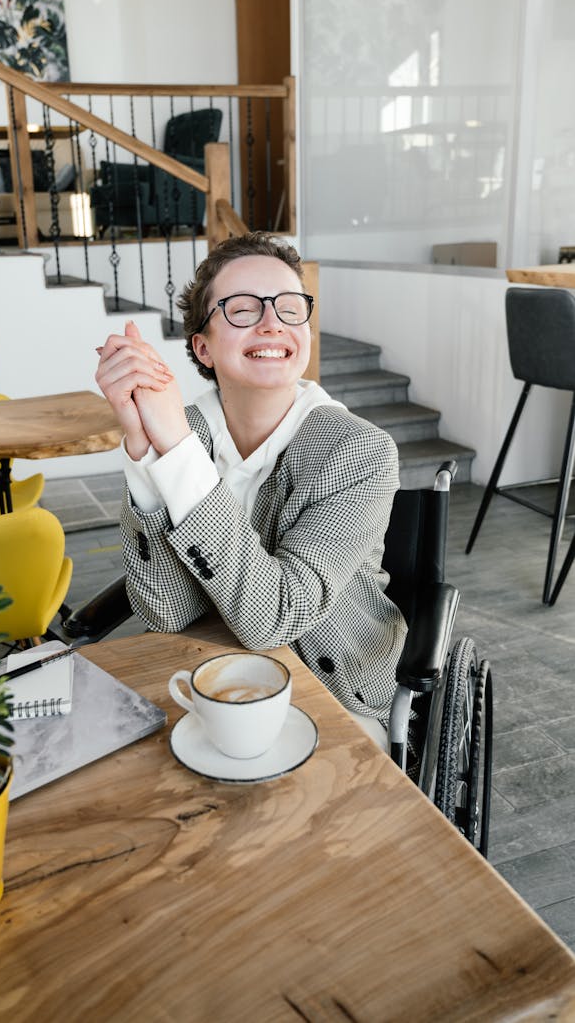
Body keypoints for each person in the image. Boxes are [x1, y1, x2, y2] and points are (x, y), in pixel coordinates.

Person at [95, 232, 407, 747]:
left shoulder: (360, 451)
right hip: (206, 678)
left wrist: (172, 450)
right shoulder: (183, 430)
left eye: (290, 308)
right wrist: (142, 450)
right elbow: (167, 613)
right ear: (203, 346)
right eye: (241, 309)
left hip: (330, 692)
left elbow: (275, 619)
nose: (272, 323)